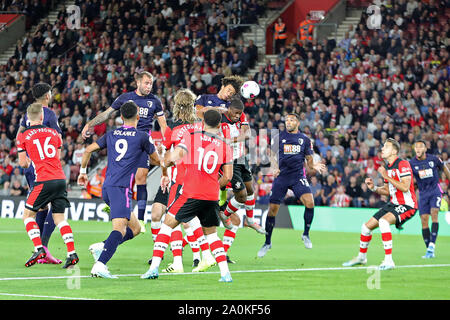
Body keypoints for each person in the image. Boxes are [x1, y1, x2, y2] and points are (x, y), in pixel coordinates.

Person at [141, 109, 234, 282]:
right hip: (212, 196)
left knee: (166, 226)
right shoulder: (226, 146)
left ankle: (153, 268)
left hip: (190, 193)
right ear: (219, 125)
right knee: (212, 235)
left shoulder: (192, 137)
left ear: (203, 122)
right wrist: (213, 186)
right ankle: (225, 273)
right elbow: (227, 177)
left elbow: (172, 158)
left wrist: (164, 159)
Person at [78, 101, 165, 278]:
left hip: (108, 187)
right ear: (138, 117)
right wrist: (165, 165)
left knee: (136, 228)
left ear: (122, 117)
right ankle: (100, 265)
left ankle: (102, 246)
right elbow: (156, 160)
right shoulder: (142, 136)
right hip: (121, 188)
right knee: (119, 230)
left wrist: (82, 172)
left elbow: (87, 149)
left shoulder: (111, 134)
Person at [81, 71, 167, 231]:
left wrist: (167, 142)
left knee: (141, 178)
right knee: (117, 178)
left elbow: (163, 125)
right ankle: (113, 205)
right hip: (126, 139)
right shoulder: (125, 98)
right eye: (146, 83)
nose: (149, 86)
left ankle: (140, 221)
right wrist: (90, 124)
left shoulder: (154, 101)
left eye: (151, 83)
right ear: (138, 82)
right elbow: (107, 114)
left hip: (142, 141)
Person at [17, 103, 78, 268]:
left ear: (28, 118)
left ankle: (39, 249)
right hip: (60, 179)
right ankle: (71, 254)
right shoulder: (54, 133)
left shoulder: (23, 135)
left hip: (43, 180)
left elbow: (23, 164)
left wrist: (32, 160)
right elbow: (56, 157)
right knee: (59, 219)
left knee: (28, 216)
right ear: (42, 117)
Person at [149, 89, 203, 272]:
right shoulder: (200, 126)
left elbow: (163, 155)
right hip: (199, 180)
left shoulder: (173, 127)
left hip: (179, 180)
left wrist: (164, 173)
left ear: (177, 106)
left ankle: (178, 262)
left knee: (171, 220)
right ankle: (201, 256)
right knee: (188, 219)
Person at [343, 138, 418, 270]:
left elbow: (405, 187)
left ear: (394, 151)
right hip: (393, 203)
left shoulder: (403, 164)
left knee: (383, 222)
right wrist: (373, 188)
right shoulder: (387, 167)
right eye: (383, 146)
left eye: (386, 147)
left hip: (408, 205)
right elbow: (388, 191)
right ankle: (361, 257)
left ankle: (389, 261)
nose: (382, 149)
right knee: (365, 228)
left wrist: (386, 176)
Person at [257, 113, 325, 258]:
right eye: (286, 120)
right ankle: (267, 242)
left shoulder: (305, 140)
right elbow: (272, 156)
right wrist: (274, 167)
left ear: (297, 123)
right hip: (282, 177)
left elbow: (309, 160)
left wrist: (315, 166)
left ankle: (306, 234)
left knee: (310, 202)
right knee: (272, 211)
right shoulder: (278, 137)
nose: (288, 122)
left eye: (291, 120)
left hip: (297, 176)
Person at [17, 82, 61, 264]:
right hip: (45, 167)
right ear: (47, 96)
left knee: (41, 206)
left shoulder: (28, 113)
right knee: (56, 206)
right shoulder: (48, 114)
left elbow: (19, 135)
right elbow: (58, 139)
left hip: (30, 166)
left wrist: (24, 158)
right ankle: (43, 247)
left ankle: (41, 250)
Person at [218, 98, 266, 264]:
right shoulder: (220, 118)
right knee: (242, 197)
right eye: (235, 113)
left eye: (240, 113)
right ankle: (184, 247)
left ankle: (223, 254)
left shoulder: (241, 116)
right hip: (227, 163)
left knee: (249, 192)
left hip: (240, 159)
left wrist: (231, 141)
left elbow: (247, 133)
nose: (238, 116)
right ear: (228, 110)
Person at [410, 140, 450, 258]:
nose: (418, 149)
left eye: (420, 147)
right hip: (422, 193)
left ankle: (432, 244)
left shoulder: (434, 159)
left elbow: (444, 168)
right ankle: (429, 249)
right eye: (416, 147)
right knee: (423, 219)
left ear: (425, 149)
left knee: (434, 213)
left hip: (434, 191)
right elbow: (409, 179)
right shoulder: (411, 163)